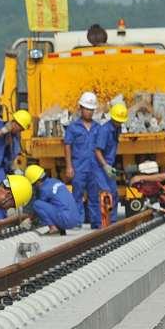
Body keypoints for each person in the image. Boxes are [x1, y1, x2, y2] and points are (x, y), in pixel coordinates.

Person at [64, 91, 101, 227]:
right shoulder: (73, 127)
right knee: (77, 196)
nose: (89, 112)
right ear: (81, 108)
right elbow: (67, 146)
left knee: (94, 196)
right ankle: (77, 222)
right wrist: (69, 166)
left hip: (94, 168)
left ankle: (95, 223)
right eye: (87, 109)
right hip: (78, 167)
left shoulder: (98, 127)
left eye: (91, 109)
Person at [93, 102, 127, 227]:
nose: (119, 123)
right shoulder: (105, 130)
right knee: (105, 193)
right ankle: (101, 224)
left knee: (114, 194)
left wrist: (110, 166)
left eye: (121, 121)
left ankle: (112, 223)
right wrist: (105, 166)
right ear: (112, 118)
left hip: (108, 166)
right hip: (100, 166)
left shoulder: (117, 129)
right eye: (117, 121)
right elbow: (97, 150)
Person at [25, 164, 81, 233]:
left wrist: (29, 219)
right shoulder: (55, 181)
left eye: (34, 184)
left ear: (38, 182)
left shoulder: (44, 189)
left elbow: (39, 209)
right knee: (56, 204)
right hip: (75, 219)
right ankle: (59, 227)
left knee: (37, 204)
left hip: (66, 220)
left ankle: (53, 228)